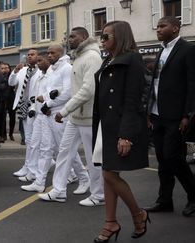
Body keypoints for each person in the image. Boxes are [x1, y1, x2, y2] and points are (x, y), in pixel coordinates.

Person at [92, 21, 150, 243]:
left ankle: (138, 214)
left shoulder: (132, 59)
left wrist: (126, 134)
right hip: (104, 126)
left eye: (106, 36)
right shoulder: (108, 59)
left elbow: (133, 100)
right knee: (109, 175)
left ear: (121, 36)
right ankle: (110, 222)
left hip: (119, 127)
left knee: (108, 174)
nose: (102, 40)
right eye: (102, 36)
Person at [41, 27, 105, 206]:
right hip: (76, 116)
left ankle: (98, 195)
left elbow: (88, 89)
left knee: (94, 158)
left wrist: (64, 110)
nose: (69, 39)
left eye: (72, 36)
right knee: (64, 152)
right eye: (68, 36)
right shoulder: (79, 56)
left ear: (84, 37)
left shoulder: (92, 57)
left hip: (87, 116)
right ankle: (59, 190)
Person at [145, 16, 195, 217]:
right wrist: (149, 111)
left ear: (175, 28)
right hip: (158, 114)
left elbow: (192, 84)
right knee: (162, 160)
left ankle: (193, 196)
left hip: (176, 115)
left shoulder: (188, 49)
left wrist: (186, 115)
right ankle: (164, 200)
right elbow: (155, 83)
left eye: (162, 26)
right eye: (157, 26)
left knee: (174, 158)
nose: (158, 29)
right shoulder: (162, 49)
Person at [21, 48, 90, 193]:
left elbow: (68, 92)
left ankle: (84, 178)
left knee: (65, 150)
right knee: (45, 148)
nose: (50, 55)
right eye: (48, 53)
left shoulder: (66, 68)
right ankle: (39, 182)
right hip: (46, 113)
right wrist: (44, 100)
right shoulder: (53, 69)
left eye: (53, 53)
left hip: (59, 114)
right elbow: (51, 90)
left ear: (61, 53)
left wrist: (48, 102)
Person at [9, 49, 41, 181]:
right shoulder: (22, 70)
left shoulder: (41, 71)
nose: (29, 56)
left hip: (36, 108)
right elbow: (11, 83)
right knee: (28, 139)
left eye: (32, 54)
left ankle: (31, 167)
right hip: (23, 106)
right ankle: (28, 166)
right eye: (28, 55)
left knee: (34, 140)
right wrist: (14, 71)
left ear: (38, 56)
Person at [0, 61, 16, 143]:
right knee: (2, 118)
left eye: (7, 68)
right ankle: (2, 135)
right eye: (3, 68)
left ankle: (11, 133)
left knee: (12, 117)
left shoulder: (12, 76)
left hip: (11, 98)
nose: (5, 70)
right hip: (2, 99)